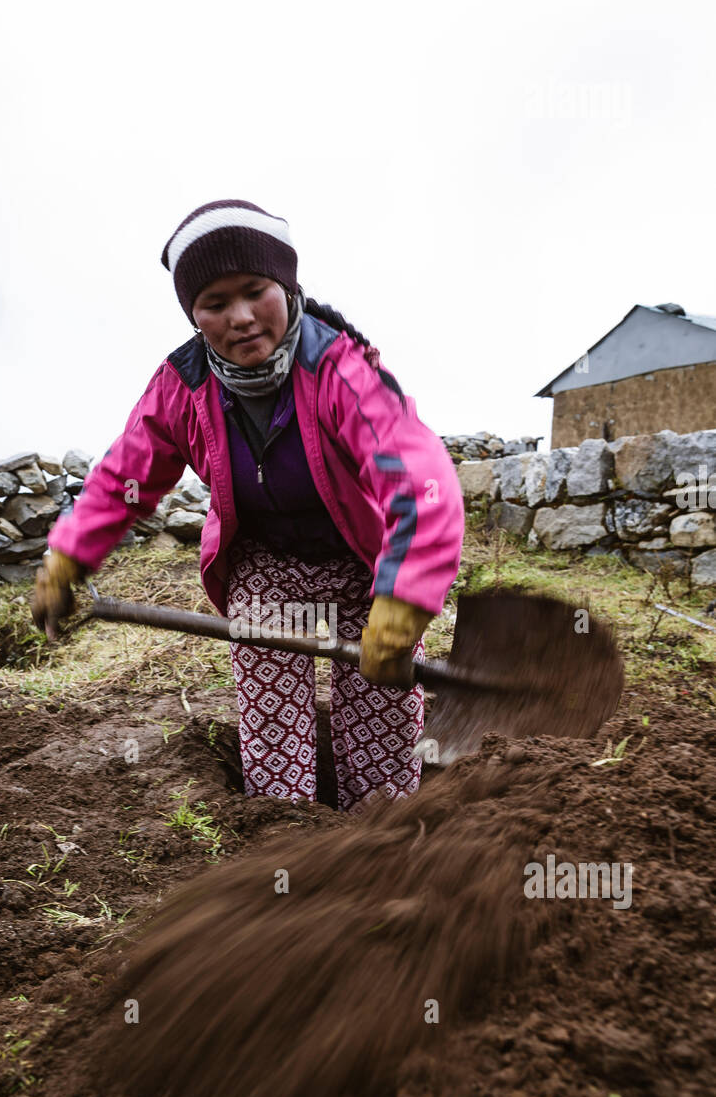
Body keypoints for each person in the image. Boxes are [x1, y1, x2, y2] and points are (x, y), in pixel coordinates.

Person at [32, 198, 464, 812]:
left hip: (366, 564)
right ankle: (283, 837)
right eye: (214, 303)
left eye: (254, 290)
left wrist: (404, 602)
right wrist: (68, 559)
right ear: (194, 315)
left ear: (285, 286)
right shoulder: (182, 387)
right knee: (271, 722)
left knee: (382, 710)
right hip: (266, 564)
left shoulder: (343, 370)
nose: (239, 317)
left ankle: (384, 834)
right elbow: (122, 478)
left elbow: (422, 485)